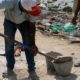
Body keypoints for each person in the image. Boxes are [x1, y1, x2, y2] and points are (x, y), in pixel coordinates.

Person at [0, 0, 43, 80]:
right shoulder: (10, 2)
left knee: (29, 45)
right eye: (28, 12)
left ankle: (32, 70)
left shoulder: (32, 7)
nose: (30, 14)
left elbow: (32, 26)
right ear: (24, 9)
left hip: (24, 23)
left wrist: (33, 43)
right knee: (9, 45)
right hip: (9, 21)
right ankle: (9, 68)